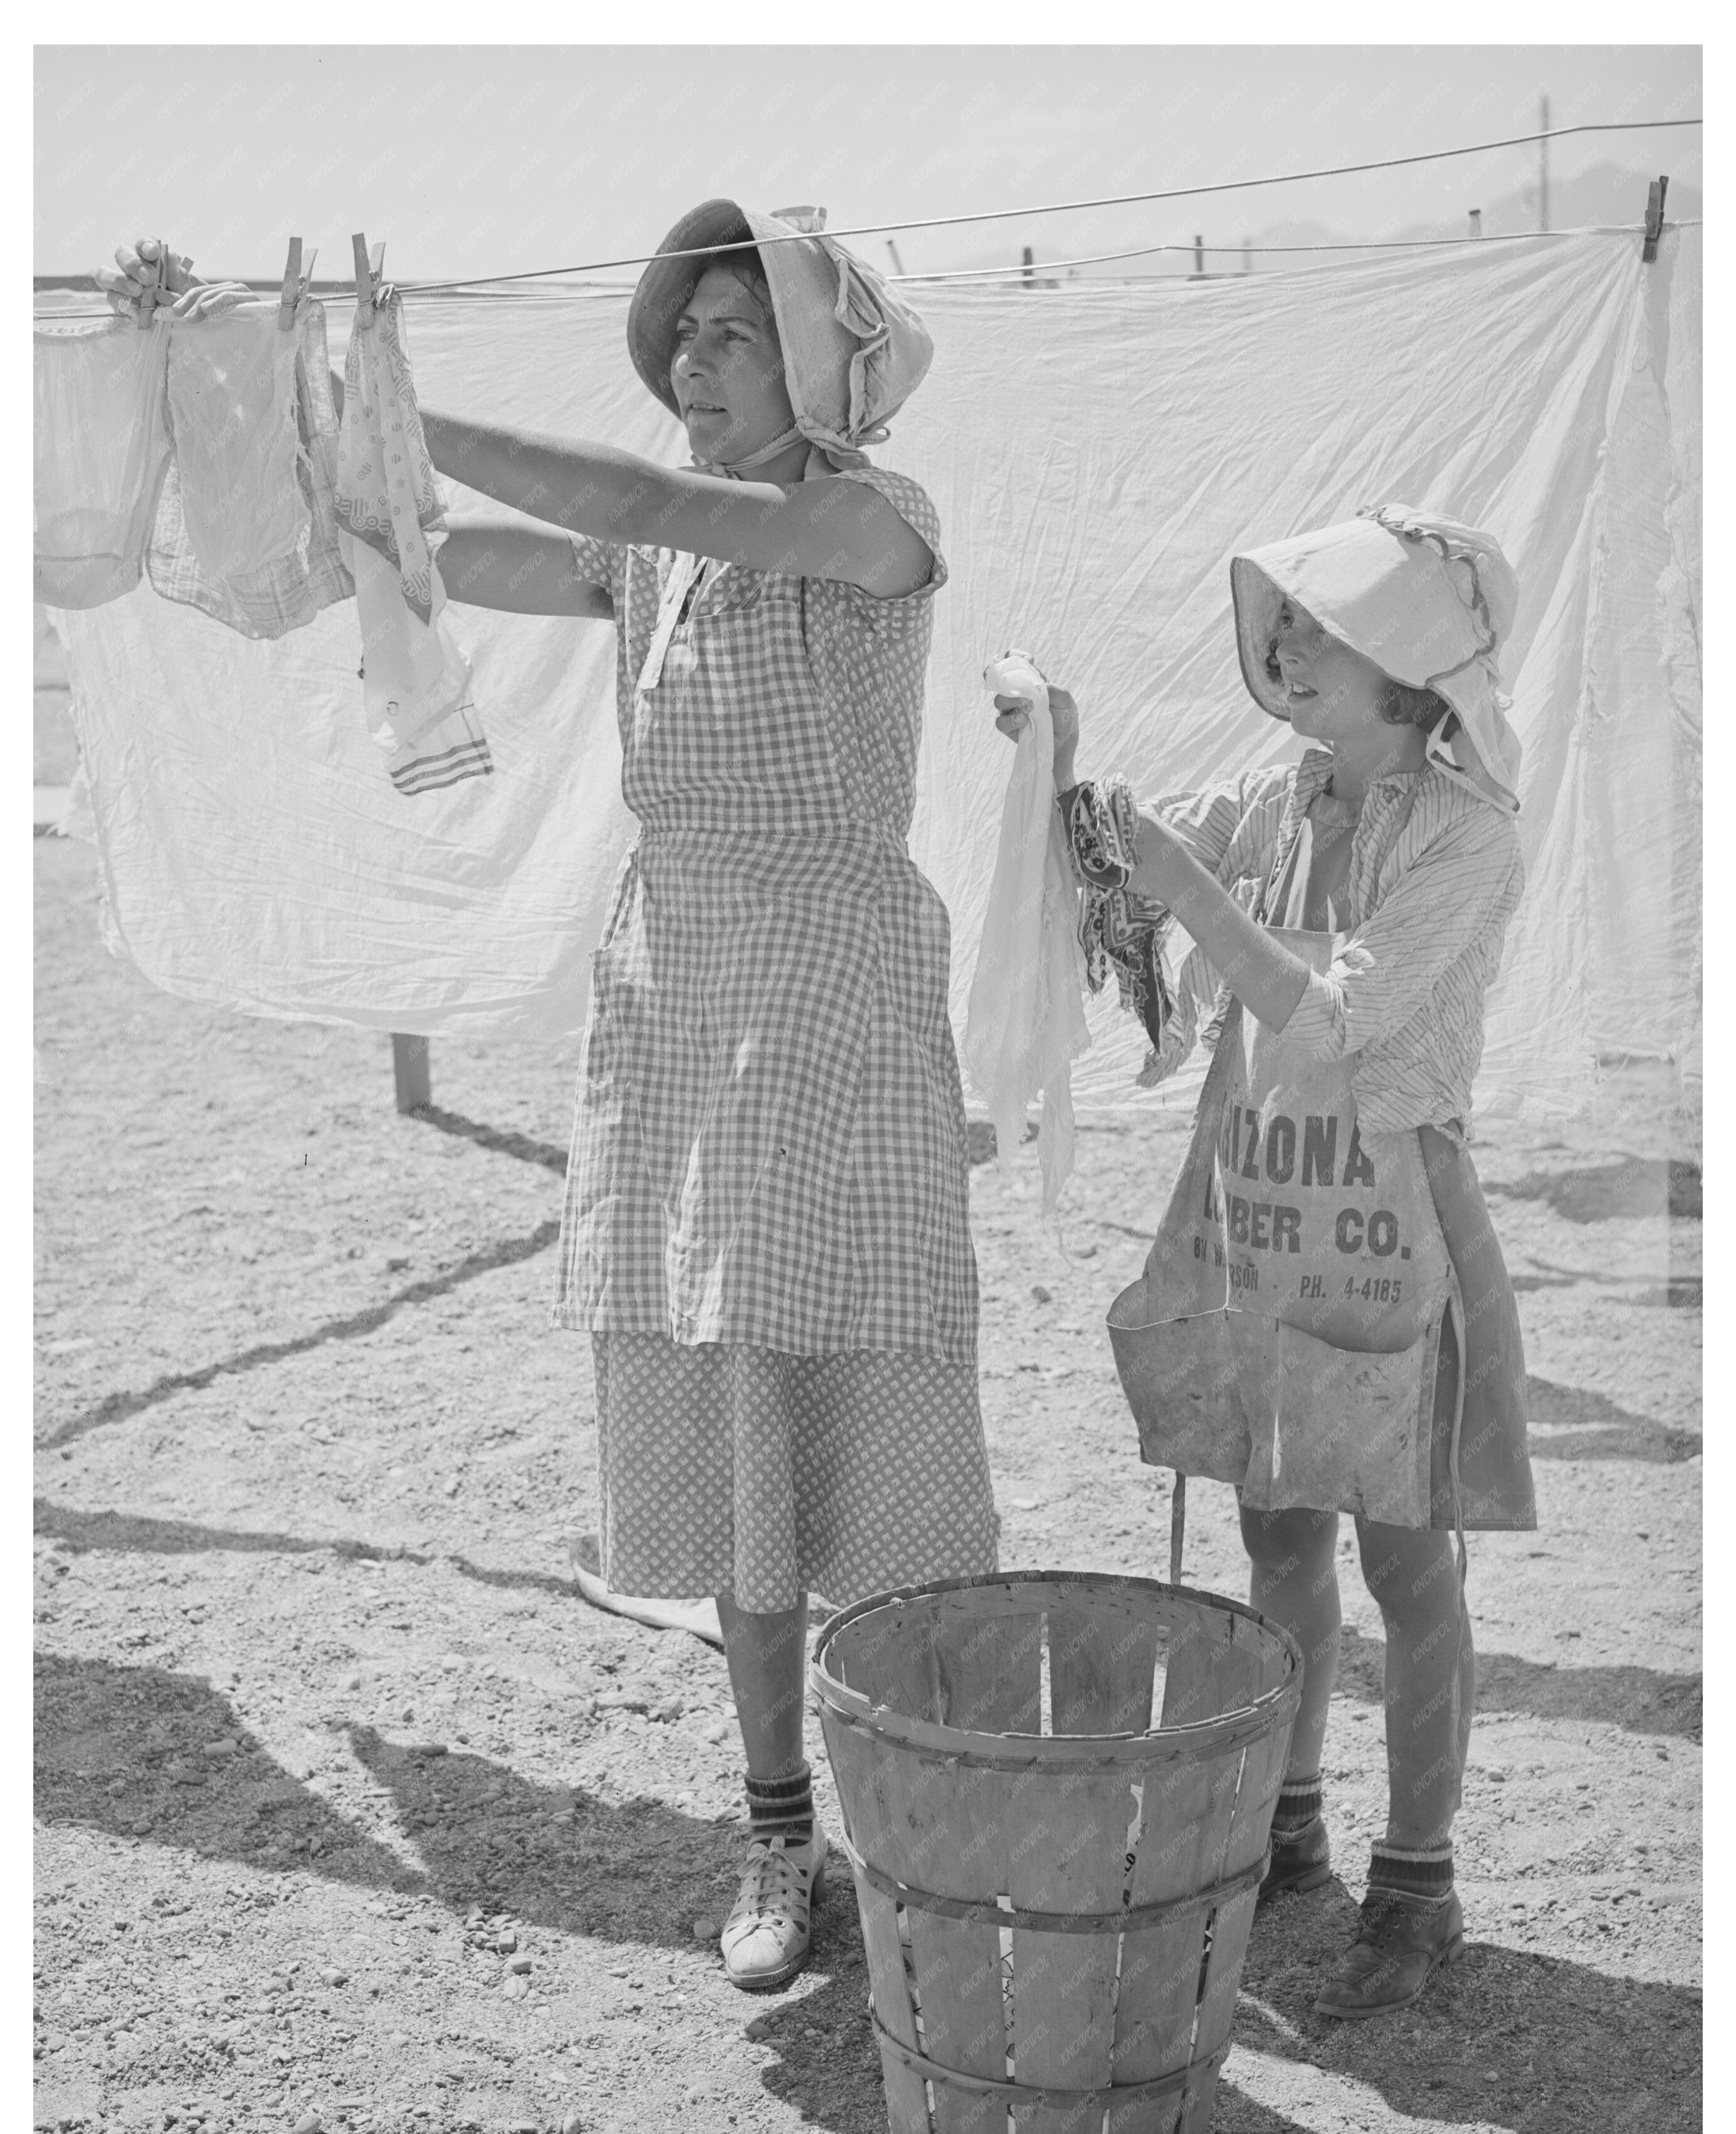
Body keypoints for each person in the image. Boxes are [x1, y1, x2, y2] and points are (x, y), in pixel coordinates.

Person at [103, 206, 999, 1992]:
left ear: (824, 369)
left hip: (830, 1001)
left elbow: (651, 505)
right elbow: (421, 554)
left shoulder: (871, 520)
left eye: (737, 335)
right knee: (741, 1419)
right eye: (688, 334)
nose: (694, 361)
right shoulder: (659, 559)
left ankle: (942, 1830)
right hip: (681, 995)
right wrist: (248, 376)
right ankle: (774, 1833)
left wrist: (401, 411)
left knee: (879, 1427)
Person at [994, 506, 1536, 2018]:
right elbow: (1129, 859)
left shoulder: (1468, 835)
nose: (1282, 644)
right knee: (1280, 1538)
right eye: (1281, 619)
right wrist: (1062, 751)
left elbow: (1326, 1015)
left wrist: (1184, 886)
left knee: (1408, 1556)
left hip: (1393, 1217)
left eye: (1318, 623)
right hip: (1264, 1203)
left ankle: (1413, 1880)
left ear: (1411, 667)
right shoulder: (1279, 796)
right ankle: (1284, 1824)